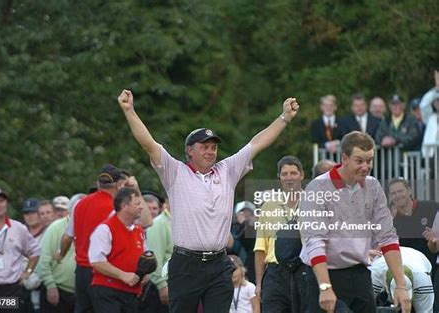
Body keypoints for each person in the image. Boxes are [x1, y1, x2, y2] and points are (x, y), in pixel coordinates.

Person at [118, 88, 299, 313]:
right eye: (204, 147)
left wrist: (284, 118)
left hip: (219, 263)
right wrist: (129, 111)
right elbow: (149, 144)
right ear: (189, 151)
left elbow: (257, 143)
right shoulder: (175, 172)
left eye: (214, 147)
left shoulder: (227, 170)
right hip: (186, 264)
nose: (211, 152)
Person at [299, 131, 411, 313]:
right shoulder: (317, 188)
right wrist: (325, 287)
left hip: (360, 273)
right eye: (359, 161)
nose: (366, 167)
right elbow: (314, 241)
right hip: (325, 273)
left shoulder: (373, 186)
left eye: (369, 160)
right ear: (344, 158)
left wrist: (401, 285)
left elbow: (388, 236)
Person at [57, 164, 129, 313]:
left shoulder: (79, 204)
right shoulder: (117, 208)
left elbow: (67, 237)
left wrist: (60, 254)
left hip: (82, 272)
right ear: (119, 184)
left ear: (98, 183)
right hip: (104, 272)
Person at [254, 155, 306, 313]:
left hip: (303, 270)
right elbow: (260, 248)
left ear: (301, 175)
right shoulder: (268, 206)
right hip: (275, 274)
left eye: (293, 173)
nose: (289, 178)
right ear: (279, 178)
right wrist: (258, 283)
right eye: (284, 174)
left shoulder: (313, 203)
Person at [89, 187, 146, 313]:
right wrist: (123, 275)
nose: (141, 207)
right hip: (108, 290)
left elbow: (142, 256)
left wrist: (145, 272)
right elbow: (96, 261)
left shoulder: (139, 230)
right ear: (124, 206)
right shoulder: (105, 229)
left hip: (131, 292)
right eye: (137, 203)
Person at [35, 196, 82, 313]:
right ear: (71, 209)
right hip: (58, 290)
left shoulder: (90, 227)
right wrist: (50, 285)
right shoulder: (55, 227)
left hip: (81, 293)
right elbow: (43, 259)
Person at [371, 247, 434, 312]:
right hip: (380, 266)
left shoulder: (423, 282)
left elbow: (426, 311)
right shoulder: (374, 276)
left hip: (420, 261)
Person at [146, 198, 173, 312]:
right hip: (163, 286)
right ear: (167, 201)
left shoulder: (183, 222)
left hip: (180, 284)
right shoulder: (158, 224)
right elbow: (155, 258)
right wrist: (161, 285)